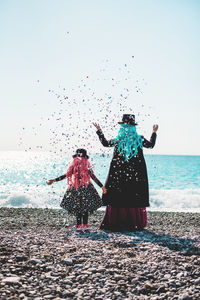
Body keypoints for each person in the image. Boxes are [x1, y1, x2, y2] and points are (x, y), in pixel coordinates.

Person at [93, 114, 158, 231]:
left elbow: (105, 143)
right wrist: (99, 131)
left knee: (127, 193)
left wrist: (154, 132)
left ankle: (121, 222)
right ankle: (130, 223)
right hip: (131, 171)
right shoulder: (135, 139)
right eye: (125, 125)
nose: (126, 127)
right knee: (126, 193)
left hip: (123, 171)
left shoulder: (123, 139)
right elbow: (151, 145)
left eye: (127, 125)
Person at [47, 148, 107, 231]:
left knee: (81, 208)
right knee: (82, 208)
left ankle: (82, 225)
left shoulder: (83, 167)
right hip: (83, 187)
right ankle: (82, 225)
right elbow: (67, 175)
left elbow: (92, 177)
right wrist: (54, 180)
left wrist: (102, 187)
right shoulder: (79, 167)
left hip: (80, 187)